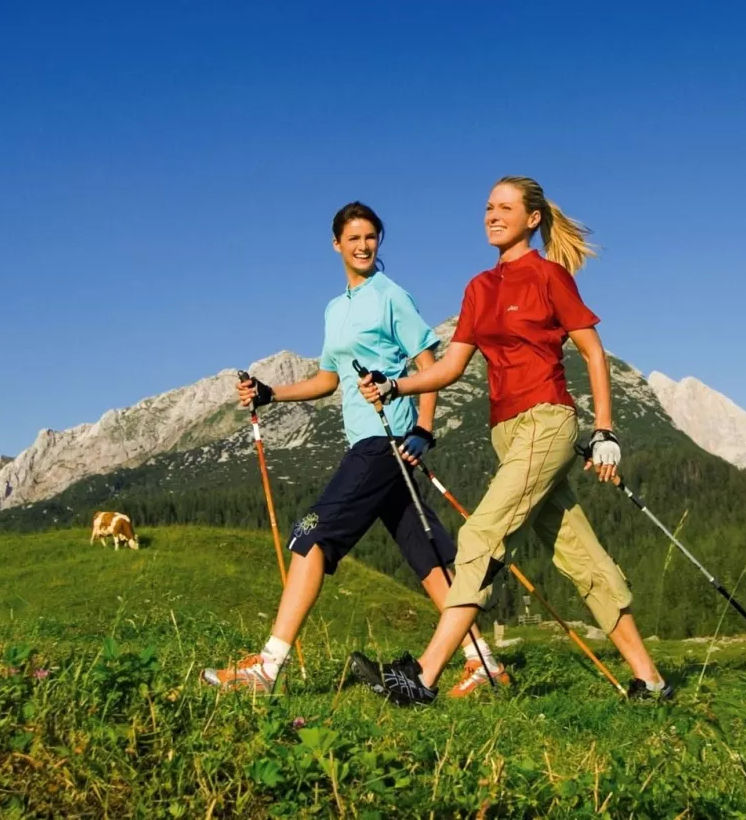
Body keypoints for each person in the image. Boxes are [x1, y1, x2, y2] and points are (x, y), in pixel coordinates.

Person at [348, 177, 673, 704]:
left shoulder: (549, 277)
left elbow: (593, 352)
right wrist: (394, 384)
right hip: (506, 433)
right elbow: (451, 367)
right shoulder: (479, 287)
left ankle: (422, 678)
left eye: (505, 208)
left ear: (533, 219)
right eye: (488, 207)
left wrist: (604, 429)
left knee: (479, 536)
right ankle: (652, 681)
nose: (492, 216)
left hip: (548, 422)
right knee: (579, 554)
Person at [202, 201, 505, 695]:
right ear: (336, 244)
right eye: (354, 238)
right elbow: (329, 379)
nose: (364, 246)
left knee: (309, 535)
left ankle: (267, 668)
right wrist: (271, 393)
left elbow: (428, 361)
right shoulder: (335, 308)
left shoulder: (390, 296)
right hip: (371, 443)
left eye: (371, 237)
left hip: (385, 441)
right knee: (425, 555)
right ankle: (482, 661)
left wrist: (423, 430)